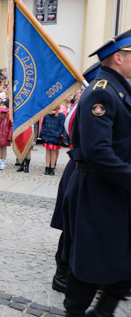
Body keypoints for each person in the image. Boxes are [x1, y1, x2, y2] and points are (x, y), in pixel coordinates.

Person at [61, 30, 131, 316]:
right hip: (98, 190)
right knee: (90, 259)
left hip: (116, 188)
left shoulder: (120, 88)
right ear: (119, 57)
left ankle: (103, 311)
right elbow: (97, 151)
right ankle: (76, 311)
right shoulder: (101, 90)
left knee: (122, 255)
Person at [40, 107, 65, 175]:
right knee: (48, 151)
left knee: (53, 152)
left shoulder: (61, 115)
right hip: (47, 135)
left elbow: (61, 126)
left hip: (54, 136)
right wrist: (43, 131)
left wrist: (57, 134)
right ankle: (47, 167)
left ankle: (52, 168)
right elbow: (43, 123)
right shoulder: (47, 114)